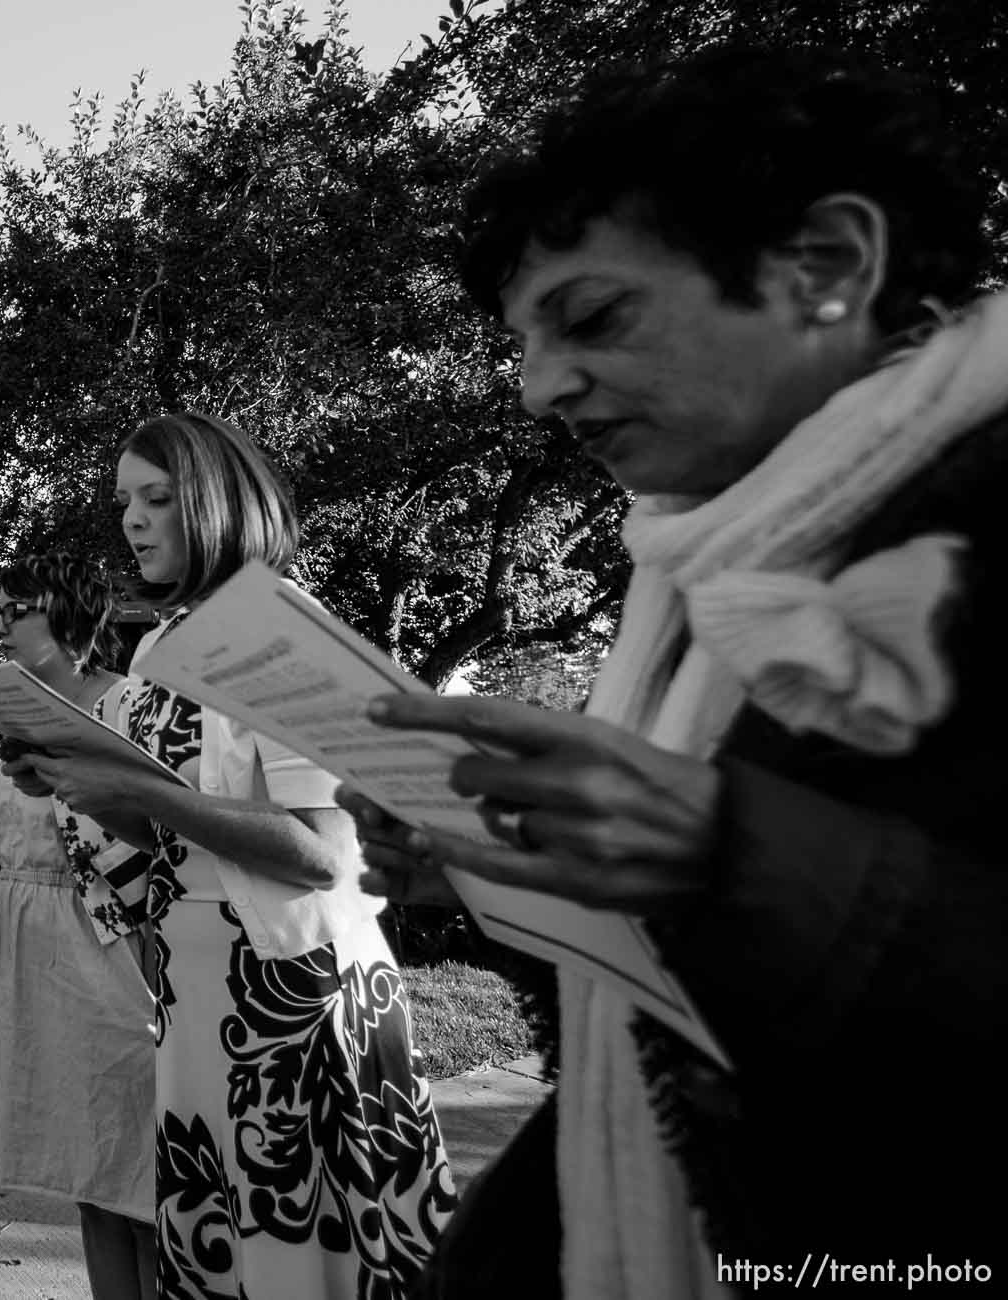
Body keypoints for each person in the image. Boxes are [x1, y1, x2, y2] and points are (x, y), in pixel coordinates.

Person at [340, 45, 1008, 1298]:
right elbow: (668, 1007)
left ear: (825, 266)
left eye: (590, 318)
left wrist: (727, 847)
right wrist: (494, 875)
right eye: (523, 345)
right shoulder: (686, 565)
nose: (540, 389)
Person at [15, 412, 458, 1299]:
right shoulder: (156, 645)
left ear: (217, 503)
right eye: (122, 502)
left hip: (293, 1005)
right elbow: (179, 834)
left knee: (308, 1259)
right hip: (196, 996)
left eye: (157, 498)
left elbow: (323, 852)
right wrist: (82, 783)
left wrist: (140, 792)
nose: (132, 520)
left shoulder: (281, 633)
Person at [0, 552, 158, 1300]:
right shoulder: (10, 715)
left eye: (13, 610)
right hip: (35, 952)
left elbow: (154, 841)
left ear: (68, 619)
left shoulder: (126, 705)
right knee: (87, 1169)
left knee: (140, 1173)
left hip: (115, 951)